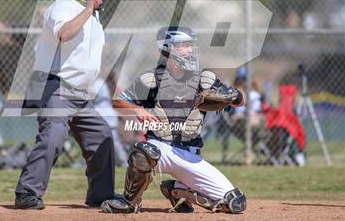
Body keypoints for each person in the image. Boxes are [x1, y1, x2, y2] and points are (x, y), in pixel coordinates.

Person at [101, 26, 247, 214]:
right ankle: (130, 201)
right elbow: (117, 102)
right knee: (144, 152)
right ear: (169, 48)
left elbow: (239, 101)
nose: (191, 50)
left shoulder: (204, 79)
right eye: (185, 45)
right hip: (161, 149)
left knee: (236, 203)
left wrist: (232, 95)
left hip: (190, 155)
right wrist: (137, 109)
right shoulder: (152, 78)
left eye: (191, 46)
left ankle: (177, 190)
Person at [15, 0, 115, 209]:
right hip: (56, 86)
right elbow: (64, 33)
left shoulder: (87, 13)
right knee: (54, 135)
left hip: (80, 92)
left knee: (101, 136)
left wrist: (90, 10)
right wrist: (90, 8)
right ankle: (26, 193)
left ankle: (101, 196)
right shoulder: (61, 6)